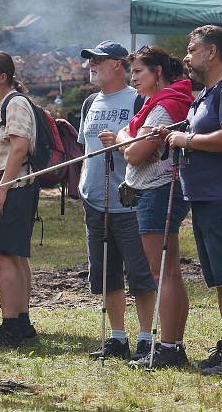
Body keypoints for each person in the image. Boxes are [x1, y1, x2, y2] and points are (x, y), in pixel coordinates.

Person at [162, 25, 222, 376]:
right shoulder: (208, 93)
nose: (187, 57)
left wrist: (186, 140)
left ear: (212, 52)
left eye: (192, 50)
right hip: (206, 197)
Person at [78, 40, 157, 362]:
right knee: (106, 273)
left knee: (140, 274)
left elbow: (150, 149)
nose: (91, 66)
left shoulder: (138, 99)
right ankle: (117, 337)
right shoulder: (89, 103)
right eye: (90, 60)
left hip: (130, 199)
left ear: (117, 64)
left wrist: (123, 146)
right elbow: (84, 150)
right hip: (95, 200)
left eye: (98, 60)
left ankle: (145, 338)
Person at [117, 46, 193, 368]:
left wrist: (126, 141)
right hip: (154, 192)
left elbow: (133, 154)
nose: (132, 78)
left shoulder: (164, 108)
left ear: (157, 72)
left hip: (157, 192)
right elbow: (130, 141)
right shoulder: (153, 105)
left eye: (138, 72)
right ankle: (172, 346)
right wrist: (128, 138)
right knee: (168, 271)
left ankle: (168, 347)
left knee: (163, 272)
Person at [0, 51, 39, 347]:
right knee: (14, 257)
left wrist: (2, 189)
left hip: (13, 188)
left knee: (3, 257)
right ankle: (22, 325)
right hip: (6, 186)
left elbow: (18, 149)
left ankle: (11, 326)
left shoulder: (15, 103)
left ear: (2, 77)